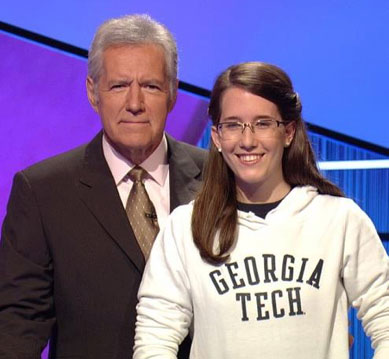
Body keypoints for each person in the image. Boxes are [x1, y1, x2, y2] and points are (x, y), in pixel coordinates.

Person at [133, 62, 389, 359]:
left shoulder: (339, 220)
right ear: (216, 137)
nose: (247, 141)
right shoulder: (185, 228)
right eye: (232, 125)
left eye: (263, 123)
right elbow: (155, 338)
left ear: (289, 131)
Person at [0, 14, 206, 359]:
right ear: (93, 92)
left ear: (173, 93)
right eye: (119, 85)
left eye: (151, 86)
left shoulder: (220, 179)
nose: (135, 103)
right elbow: (17, 325)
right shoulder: (42, 192)